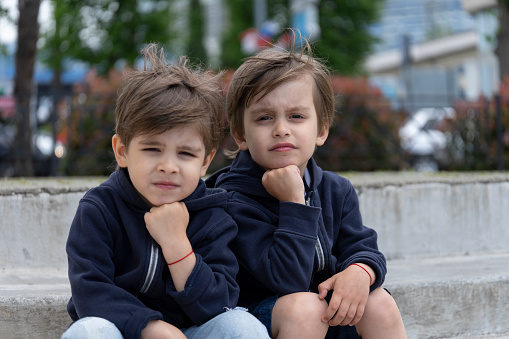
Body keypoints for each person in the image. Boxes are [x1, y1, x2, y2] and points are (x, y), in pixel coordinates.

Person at [62, 44, 269, 339]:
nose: (169, 166)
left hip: (192, 331)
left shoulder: (214, 215)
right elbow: (90, 292)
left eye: (185, 154)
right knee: (88, 332)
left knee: (242, 326)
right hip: (121, 328)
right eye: (152, 149)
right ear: (122, 151)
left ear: (205, 161)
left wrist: (176, 245)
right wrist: (150, 327)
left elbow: (219, 302)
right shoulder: (100, 209)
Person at [206, 37, 407, 339]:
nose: (281, 129)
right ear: (240, 134)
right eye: (264, 118)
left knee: (379, 302)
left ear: (321, 130)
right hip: (264, 315)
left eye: (296, 116)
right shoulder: (231, 200)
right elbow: (287, 281)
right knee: (306, 310)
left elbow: (363, 247)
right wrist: (294, 204)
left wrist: (360, 272)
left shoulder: (335, 190)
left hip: (323, 310)